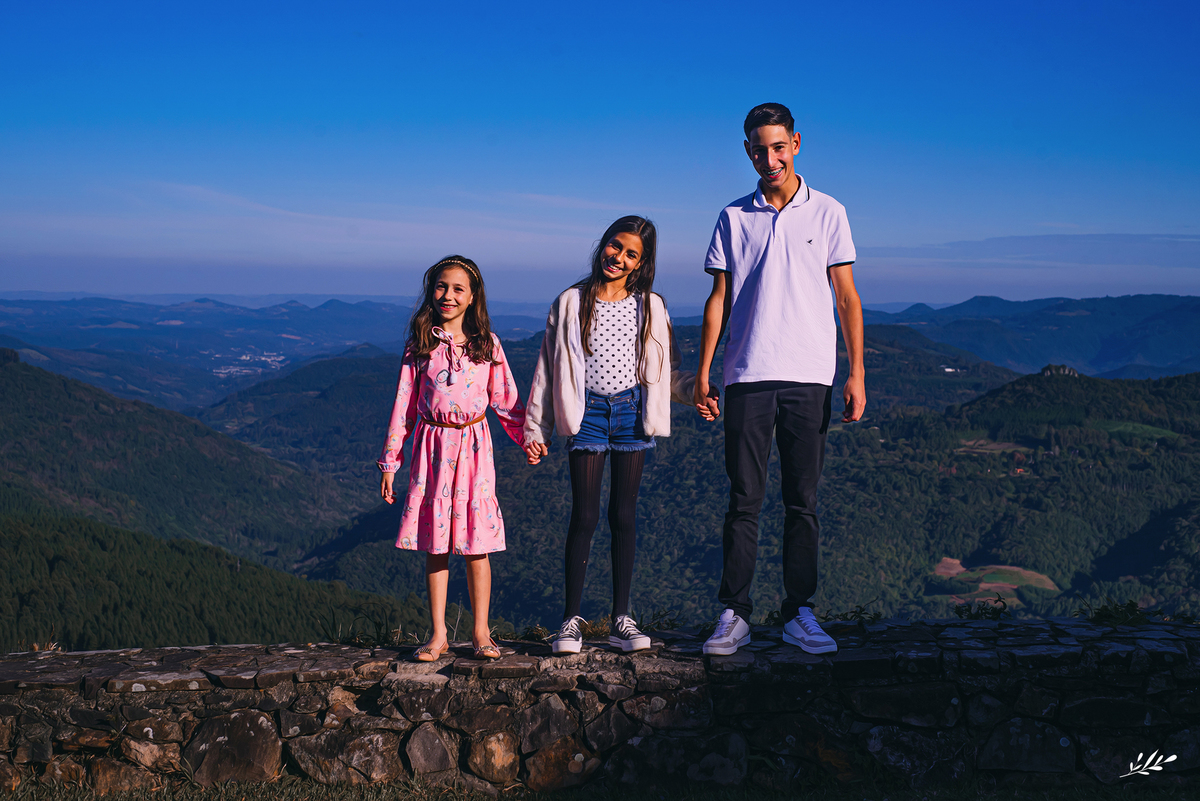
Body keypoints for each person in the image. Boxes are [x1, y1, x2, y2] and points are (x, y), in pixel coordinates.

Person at [694, 103, 866, 657]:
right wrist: (703, 372)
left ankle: (800, 613)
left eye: (778, 146)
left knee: (802, 502)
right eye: (758, 149)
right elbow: (718, 299)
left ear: (796, 143)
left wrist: (856, 372)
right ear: (748, 151)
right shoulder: (732, 217)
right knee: (744, 499)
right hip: (746, 373)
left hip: (811, 376)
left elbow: (846, 297)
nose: (769, 158)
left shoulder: (830, 212)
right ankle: (734, 613)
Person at [523, 216, 695, 654]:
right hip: (589, 415)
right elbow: (549, 369)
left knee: (623, 515)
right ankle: (570, 621)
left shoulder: (652, 306)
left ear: (641, 263)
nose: (619, 258)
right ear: (604, 245)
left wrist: (697, 394)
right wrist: (536, 427)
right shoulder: (570, 302)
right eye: (615, 246)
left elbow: (667, 371)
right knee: (583, 516)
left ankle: (622, 619)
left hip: (633, 414)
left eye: (631, 254)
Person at [378, 256, 527, 662]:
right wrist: (391, 463)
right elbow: (403, 408)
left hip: (475, 449)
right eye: (441, 287)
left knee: (477, 545)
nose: (447, 295)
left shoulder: (488, 345)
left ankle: (481, 632)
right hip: (432, 450)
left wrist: (528, 437)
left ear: (473, 295)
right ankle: (439, 634)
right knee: (436, 543)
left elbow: (507, 402)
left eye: (458, 288)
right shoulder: (421, 346)